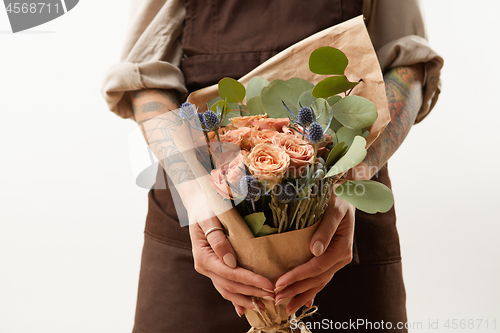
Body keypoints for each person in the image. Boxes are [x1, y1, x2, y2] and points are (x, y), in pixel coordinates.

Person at [102, 0, 443, 332]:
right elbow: (144, 78)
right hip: (196, 224)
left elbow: (409, 67)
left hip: (342, 227)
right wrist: (196, 196)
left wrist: (346, 184)